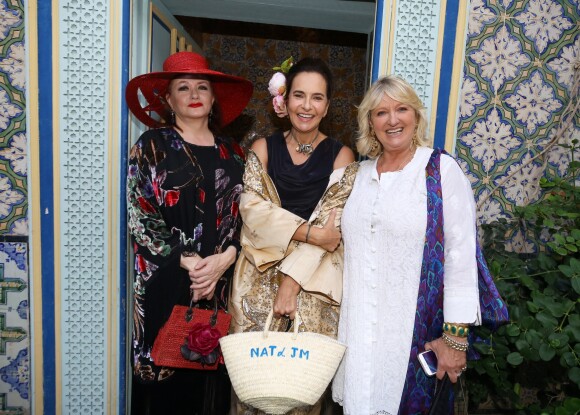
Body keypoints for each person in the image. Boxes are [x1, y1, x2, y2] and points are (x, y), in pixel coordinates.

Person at [332, 75, 481, 414]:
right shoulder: (353, 177)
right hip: (357, 338)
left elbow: (460, 257)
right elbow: (324, 241)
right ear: (370, 123)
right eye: (381, 113)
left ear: (416, 116)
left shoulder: (439, 171)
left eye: (402, 109)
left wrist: (455, 339)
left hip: (413, 338)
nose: (393, 120)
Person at [125, 51, 253, 415]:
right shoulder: (151, 145)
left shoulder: (234, 153)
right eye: (183, 87)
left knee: (210, 387)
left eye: (202, 87)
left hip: (219, 285)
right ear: (168, 99)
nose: (194, 94)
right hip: (167, 280)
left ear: (213, 99)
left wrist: (225, 260)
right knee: (164, 388)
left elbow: (247, 217)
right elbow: (141, 214)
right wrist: (192, 264)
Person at [228, 57, 357, 415]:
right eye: (299, 95)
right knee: (251, 387)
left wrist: (292, 281)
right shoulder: (262, 149)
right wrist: (312, 234)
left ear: (327, 106)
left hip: (314, 282)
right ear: (284, 101)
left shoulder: (342, 155)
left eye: (317, 98)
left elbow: (336, 228)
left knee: (302, 390)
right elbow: (253, 213)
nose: (307, 105)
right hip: (256, 279)